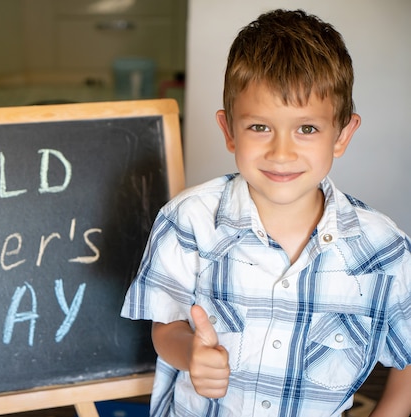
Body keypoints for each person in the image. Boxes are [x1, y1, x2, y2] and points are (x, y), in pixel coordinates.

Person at [121, 9, 411, 417]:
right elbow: (166, 327)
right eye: (260, 127)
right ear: (229, 131)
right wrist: (190, 354)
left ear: (342, 135)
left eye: (306, 129)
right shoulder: (188, 221)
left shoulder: (385, 252)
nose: (281, 152)